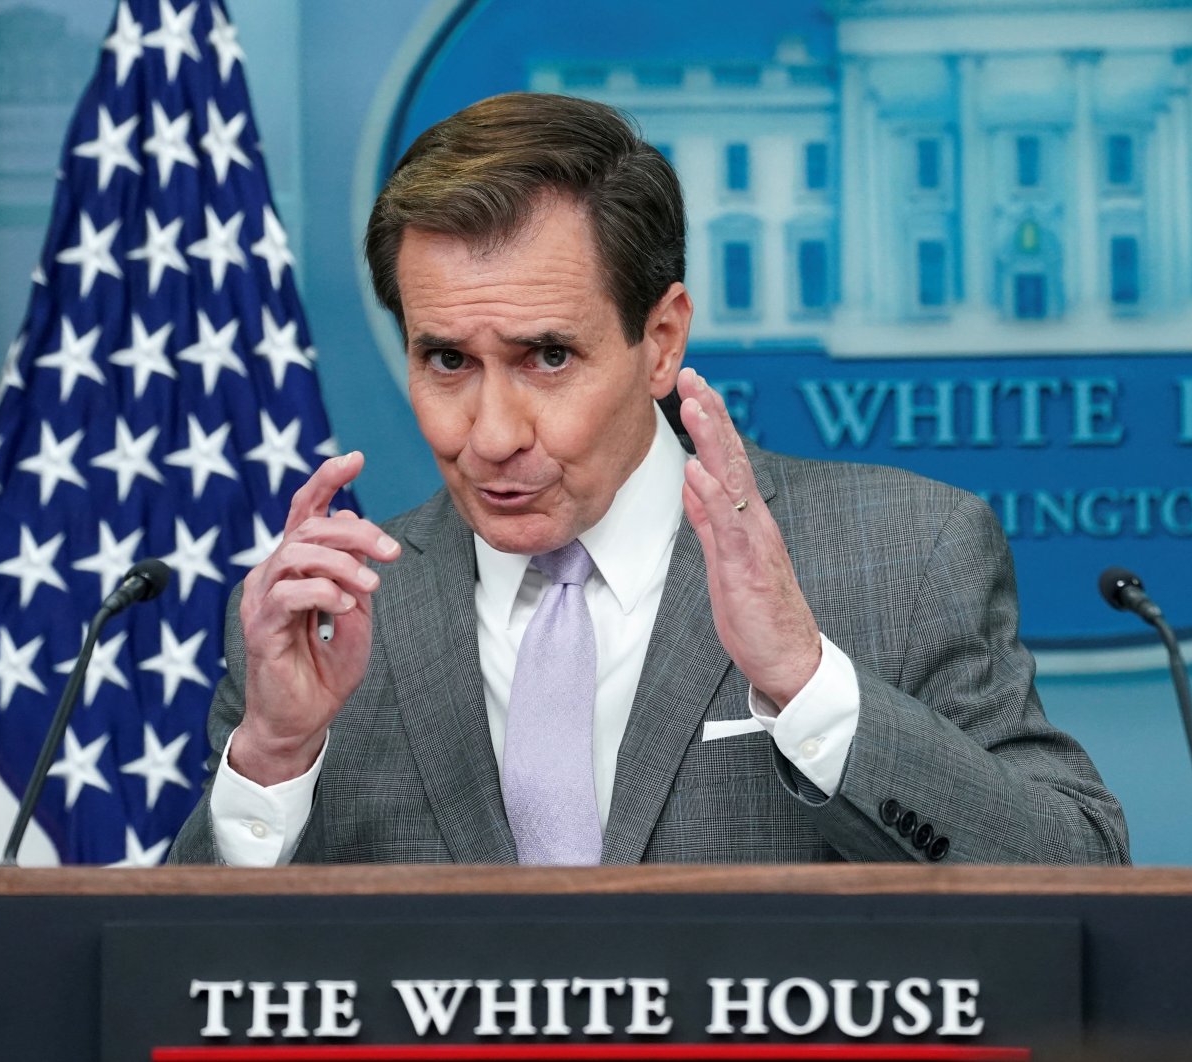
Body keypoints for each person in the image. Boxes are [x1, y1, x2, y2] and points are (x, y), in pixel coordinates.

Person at [168, 93, 1128, 866]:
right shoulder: (321, 620)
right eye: (448, 361)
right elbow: (172, 987)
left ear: (660, 340)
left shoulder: (901, 554)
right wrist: (274, 760)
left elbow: (1083, 879)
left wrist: (806, 683)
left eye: (547, 356)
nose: (492, 434)